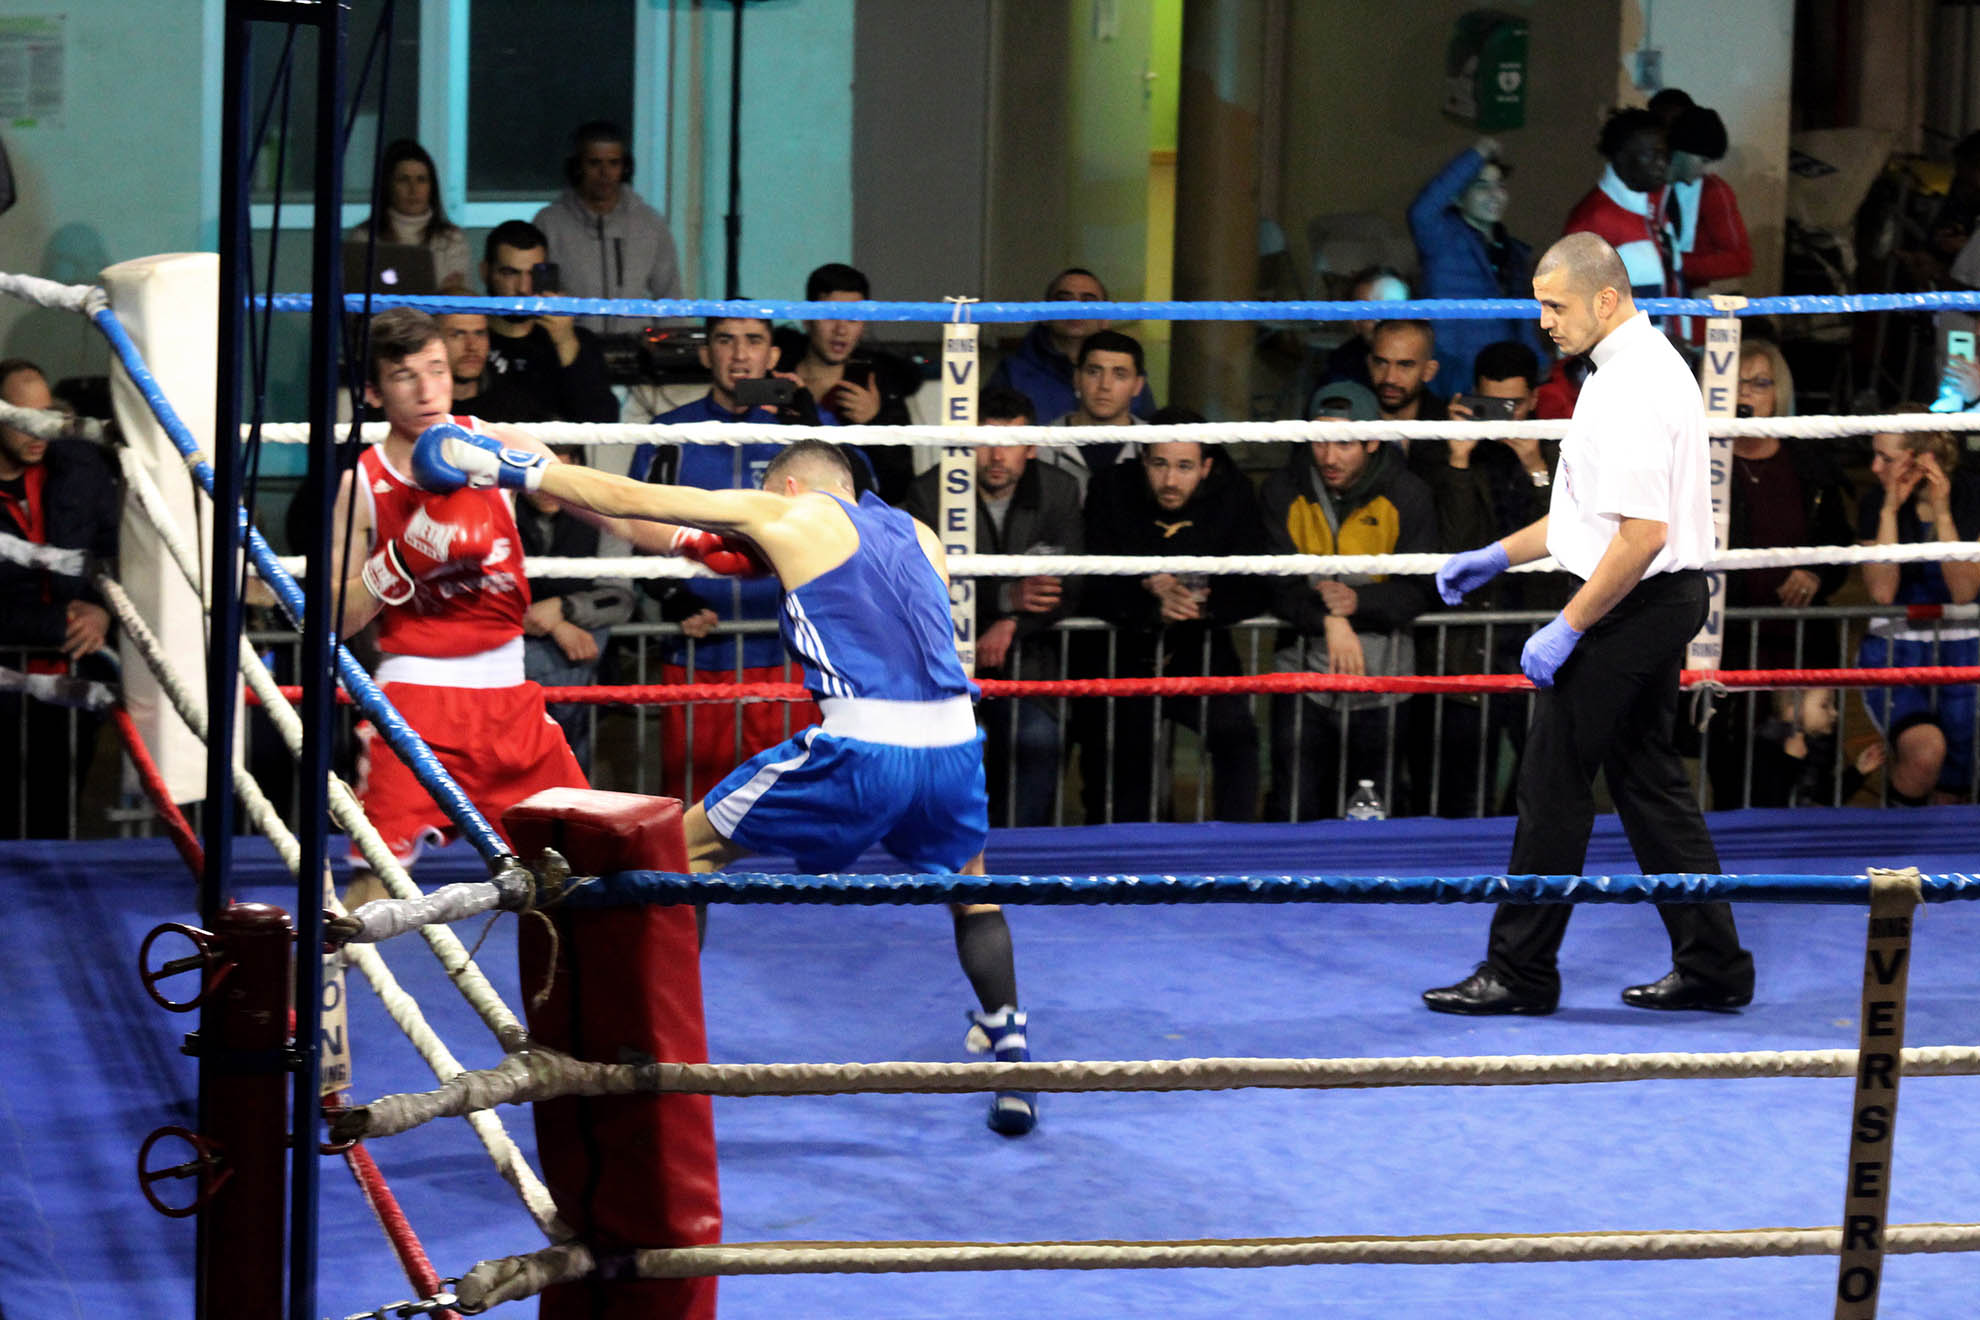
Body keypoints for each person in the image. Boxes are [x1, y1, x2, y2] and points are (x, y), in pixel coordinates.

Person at [410, 429, 1038, 1136]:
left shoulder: (789, 512)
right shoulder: (919, 533)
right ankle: (1013, 1058)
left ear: (788, 487)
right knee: (972, 888)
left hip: (864, 745)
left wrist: (502, 466)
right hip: (955, 742)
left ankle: (654, 1048)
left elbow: (631, 496)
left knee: (680, 855)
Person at [1422, 233, 1754, 1016]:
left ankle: (1521, 972)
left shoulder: (1632, 385)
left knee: (1553, 783)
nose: (1544, 320)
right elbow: (1586, 517)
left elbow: (1641, 536)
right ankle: (1714, 965)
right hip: (1645, 598)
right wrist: (1497, 555)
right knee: (1648, 782)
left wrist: (1568, 626)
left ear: (1606, 298)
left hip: (1629, 603)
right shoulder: (1621, 370)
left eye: (1555, 304)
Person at [327, 309, 599, 889]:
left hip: (511, 697)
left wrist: (694, 534)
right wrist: (397, 563)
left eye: (437, 369)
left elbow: (602, 502)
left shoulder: (500, 447)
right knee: (377, 882)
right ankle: (328, 953)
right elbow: (333, 620)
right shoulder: (363, 484)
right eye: (405, 376)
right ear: (373, 392)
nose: (428, 391)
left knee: (572, 871)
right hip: (414, 700)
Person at [903, 387, 1081, 827]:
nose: (997, 456)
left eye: (1011, 443)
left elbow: (1071, 585)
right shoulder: (930, 492)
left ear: (1032, 447)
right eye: (986, 442)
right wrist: (1006, 599)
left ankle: (1018, 856)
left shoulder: (1059, 490)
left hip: (1027, 664)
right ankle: (951, 855)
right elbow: (917, 585)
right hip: (942, 668)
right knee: (936, 758)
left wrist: (1011, 623)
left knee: (1037, 741)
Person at [1261, 380, 1436, 821]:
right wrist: (1330, 618)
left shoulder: (1408, 494)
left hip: (1383, 684)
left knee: (1373, 817)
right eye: (1320, 440)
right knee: (1294, 810)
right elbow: (1274, 586)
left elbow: (1421, 588)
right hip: (1301, 680)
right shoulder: (1283, 490)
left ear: (1372, 441)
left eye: (1344, 443)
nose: (1329, 457)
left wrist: (1356, 602)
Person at [1082, 427, 1269, 822]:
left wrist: (1200, 605)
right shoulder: (1111, 490)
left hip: (1201, 652)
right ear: (1143, 461)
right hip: (1126, 654)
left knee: (1238, 740)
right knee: (1124, 768)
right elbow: (1089, 583)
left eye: (1184, 466)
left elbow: (1257, 585)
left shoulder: (1233, 495)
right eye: (1159, 464)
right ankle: (1125, 856)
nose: (1170, 480)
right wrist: (1146, 592)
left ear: (1206, 467)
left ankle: (1235, 848)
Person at [1408, 341, 1560, 815]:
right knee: (1459, 794)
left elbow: (1568, 537)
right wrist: (1458, 459)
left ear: (1533, 400)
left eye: (1512, 405)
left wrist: (1536, 468)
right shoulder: (1446, 452)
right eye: (1490, 403)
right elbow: (1453, 547)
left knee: (1540, 788)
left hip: (1535, 638)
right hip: (1468, 642)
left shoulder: (1561, 449)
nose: (1501, 417)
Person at [1710, 339, 1855, 808]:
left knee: (1806, 769)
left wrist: (1815, 572)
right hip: (1728, 642)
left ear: (1779, 394)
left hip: (1799, 642)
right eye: (1736, 382)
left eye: (1760, 383)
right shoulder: (1701, 459)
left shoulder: (1807, 460)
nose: (1746, 393)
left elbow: (1840, 541)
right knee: (1733, 773)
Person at [0, 359, 117, 838]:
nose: (40, 429)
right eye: (24, 418)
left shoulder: (79, 468)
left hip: (71, 682)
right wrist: (57, 623)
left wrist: (103, 609)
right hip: (11, 679)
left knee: (58, 818)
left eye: (48, 415)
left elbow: (116, 551)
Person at [1856, 426, 1980, 803]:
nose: (1875, 467)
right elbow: (1882, 592)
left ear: (1922, 460)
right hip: (1895, 653)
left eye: (1887, 458)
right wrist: (1889, 511)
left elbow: (1963, 591)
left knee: (1954, 786)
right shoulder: (1874, 501)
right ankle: (1893, 839)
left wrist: (1942, 513)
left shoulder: (1972, 494)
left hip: (1964, 652)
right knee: (1924, 753)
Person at [515, 455, 636, 777]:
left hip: (574, 684)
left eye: (559, 477)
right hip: (512, 677)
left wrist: (563, 607)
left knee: (568, 768)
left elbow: (620, 599)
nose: (548, 489)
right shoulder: (499, 512)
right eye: (539, 478)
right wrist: (557, 624)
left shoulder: (602, 519)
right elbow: (482, 594)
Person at [1407, 138, 1547, 394]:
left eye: (1500, 185)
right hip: (1455, 376)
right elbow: (1422, 211)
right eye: (1482, 186)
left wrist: (1539, 367)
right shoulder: (1442, 239)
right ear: (1458, 197)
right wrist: (1478, 153)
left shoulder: (1513, 251)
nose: (1495, 194)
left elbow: (1520, 322)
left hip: (1503, 377)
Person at [775, 262, 921, 503]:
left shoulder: (879, 386)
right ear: (807, 319)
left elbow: (901, 485)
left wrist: (876, 422)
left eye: (852, 318)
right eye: (830, 316)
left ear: (863, 324)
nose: (841, 330)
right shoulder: (775, 377)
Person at [532, 120, 684, 333]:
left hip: (636, 348)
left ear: (625, 168)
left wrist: (669, 345)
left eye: (614, 163)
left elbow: (670, 297)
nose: (605, 173)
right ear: (577, 167)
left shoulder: (650, 224)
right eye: (594, 163)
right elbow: (537, 298)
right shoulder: (549, 223)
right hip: (572, 348)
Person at [479, 220, 621, 424]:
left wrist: (565, 342)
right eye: (510, 273)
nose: (523, 288)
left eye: (533, 274)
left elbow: (603, 422)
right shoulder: (470, 338)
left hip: (555, 446)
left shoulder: (577, 340)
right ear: (485, 272)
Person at [987, 267, 1156, 425]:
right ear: (1044, 313)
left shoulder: (1128, 373)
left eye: (1088, 302)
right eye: (1064, 300)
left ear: (1106, 318)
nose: (1075, 308)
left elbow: (1150, 437)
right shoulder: (1012, 372)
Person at [1563, 109, 1682, 315]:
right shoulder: (1594, 219)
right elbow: (1574, 307)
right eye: (1651, 155)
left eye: (1664, 155)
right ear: (1622, 157)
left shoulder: (1655, 212)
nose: (1662, 163)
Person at [346, 139, 472, 293]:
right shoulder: (364, 237)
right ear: (388, 186)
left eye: (421, 180)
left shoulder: (452, 239)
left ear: (432, 187)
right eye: (403, 180)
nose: (413, 189)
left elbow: (455, 295)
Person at [1042, 328, 1151, 491]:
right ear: (1077, 378)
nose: (1105, 385)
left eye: (1119, 375)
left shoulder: (1155, 446)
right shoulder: (1041, 446)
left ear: (1138, 385)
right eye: (1093, 372)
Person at [1664, 105, 1752, 288]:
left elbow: (1741, 260)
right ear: (1681, 150)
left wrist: (1676, 263)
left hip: (1684, 293)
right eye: (1703, 160)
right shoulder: (1647, 183)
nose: (1704, 170)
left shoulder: (1712, 190)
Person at [1316, 266, 1411, 391]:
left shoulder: (1430, 358)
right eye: (1374, 314)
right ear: (1355, 322)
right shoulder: (1342, 371)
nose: (1388, 322)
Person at [1366, 319, 1448, 425]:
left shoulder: (1447, 426)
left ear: (1428, 371)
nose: (1390, 378)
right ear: (1370, 364)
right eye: (1381, 363)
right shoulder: (1349, 417)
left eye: (1405, 365)